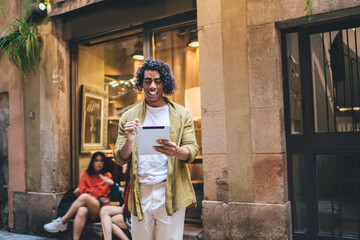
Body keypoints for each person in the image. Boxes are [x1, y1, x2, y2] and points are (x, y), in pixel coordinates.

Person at [113, 57, 199, 240]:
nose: (152, 86)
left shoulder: (181, 114)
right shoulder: (129, 116)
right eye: (147, 81)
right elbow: (120, 158)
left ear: (164, 83)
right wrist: (129, 140)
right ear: (141, 84)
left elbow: (192, 151)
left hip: (171, 191)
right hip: (139, 193)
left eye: (157, 81)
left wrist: (176, 151)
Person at [44, 152, 112, 240]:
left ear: (104, 163)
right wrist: (91, 191)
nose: (99, 163)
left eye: (101, 161)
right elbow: (81, 190)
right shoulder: (86, 174)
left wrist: (87, 191)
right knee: (81, 210)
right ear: (92, 162)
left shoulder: (107, 176)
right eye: (96, 160)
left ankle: (63, 221)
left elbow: (99, 193)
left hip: (100, 210)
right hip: (88, 208)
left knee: (84, 197)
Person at [99, 173, 131, 240]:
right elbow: (124, 196)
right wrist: (112, 184)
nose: (123, 165)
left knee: (104, 211)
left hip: (134, 215)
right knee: (109, 220)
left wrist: (113, 185)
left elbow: (127, 200)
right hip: (130, 211)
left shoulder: (134, 178)